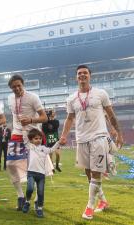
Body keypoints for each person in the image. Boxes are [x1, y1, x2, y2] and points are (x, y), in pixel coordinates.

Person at [59, 65, 124, 220]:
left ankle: (89, 207)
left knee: (96, 173)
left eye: (85, 73)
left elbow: (111, 115)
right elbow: (69, 118)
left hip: (99, 137)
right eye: (79, 73)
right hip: (82, 140)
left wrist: (118, 133)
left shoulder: (101, 94)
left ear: (90, 76)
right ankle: (103, 201)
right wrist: (63, 136)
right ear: (76, 77)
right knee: (89, 175)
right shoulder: (71, 98)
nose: (82, 75)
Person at [7, 74, 48, 210]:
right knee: (10, 164)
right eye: (14, 87)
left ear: (23, 85)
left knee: (36, 169)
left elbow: (44, 117)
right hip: (17, 134)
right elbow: (14, 115)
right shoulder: (10, 98)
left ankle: (36, 199)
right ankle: (20, 196)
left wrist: (30, 120)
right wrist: (14, 129)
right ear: (11, 88)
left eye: (19, 85)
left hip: (32, 136)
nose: (17, 89)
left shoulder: (33, 97)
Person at [22, 128, 60, 218]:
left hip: (41, 175)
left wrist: (58, 142)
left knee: (40, 193)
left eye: (39, 138)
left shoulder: (44, 148)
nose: (38, 140)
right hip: (31, 173)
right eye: (36, 138)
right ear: (31, 140)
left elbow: (51, 149)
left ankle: (39, 208)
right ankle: (27, 202)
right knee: (30, 189)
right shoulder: (30, 147)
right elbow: (24, 138)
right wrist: (24, 128)